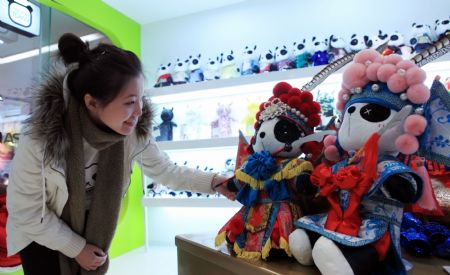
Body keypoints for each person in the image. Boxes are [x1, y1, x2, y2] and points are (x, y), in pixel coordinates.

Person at [6, 33, 235, 275]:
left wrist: (213, 183)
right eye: (129, 102)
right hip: (41, 235)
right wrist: (76, 248)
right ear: (92, 103)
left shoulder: (132, 132)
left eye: (141, 100)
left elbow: (165, 170)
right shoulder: (42, 137)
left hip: (90, 226)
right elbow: (26, 211)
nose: (138, 111)